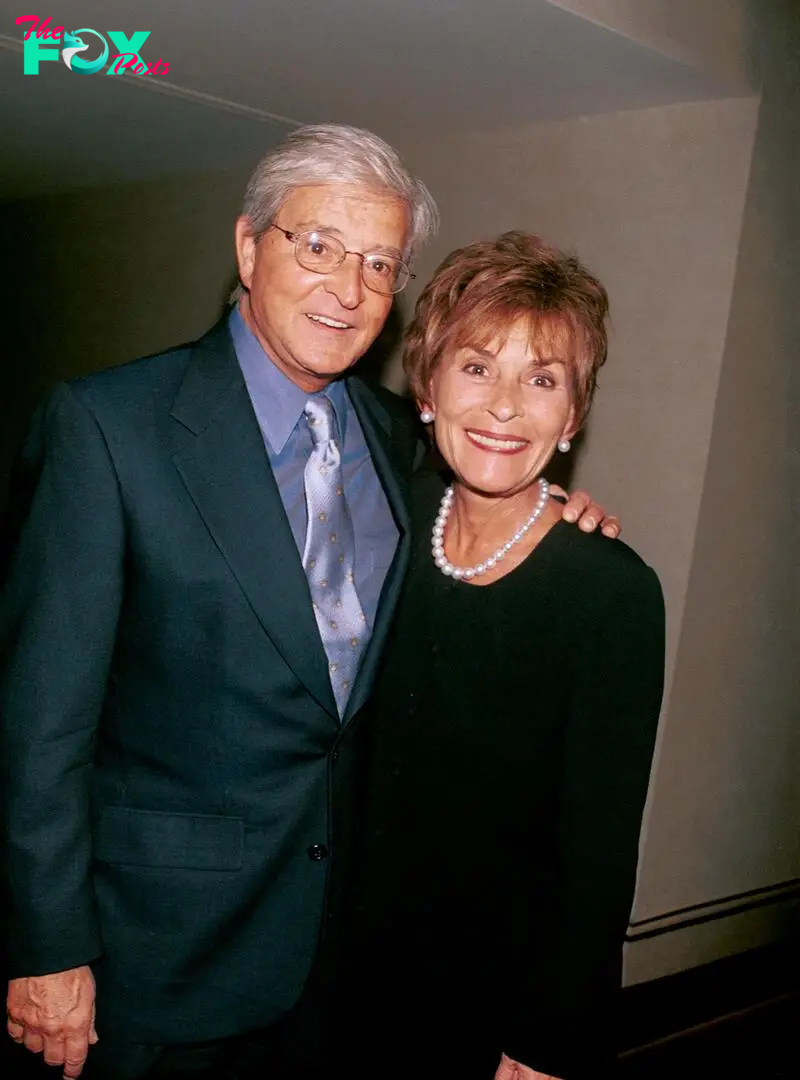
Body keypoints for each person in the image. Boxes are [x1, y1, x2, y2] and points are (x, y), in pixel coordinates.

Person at [0, 126, 614, 1080]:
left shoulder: (398, 443)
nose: (349, 286)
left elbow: (485, 502)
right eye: (317, 245)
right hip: (156, 965)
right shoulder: (107, 429)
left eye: (378, 263)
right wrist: (47, 947)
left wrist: (559, 510)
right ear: (249, 247)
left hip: (345, 970)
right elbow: (38, 725)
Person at [338, 231, 665, 1080]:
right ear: (428, 385)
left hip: (488, 1012)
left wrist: (545, 1037)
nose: (507, 407)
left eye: (543, 379)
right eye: (478, 367)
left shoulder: (610, 592)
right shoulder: (388, 521)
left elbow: (597, 853)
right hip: (337, 982)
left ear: (573, 417)